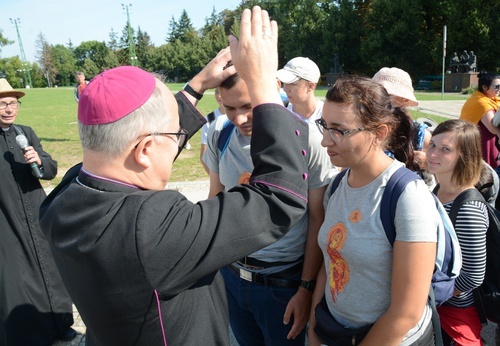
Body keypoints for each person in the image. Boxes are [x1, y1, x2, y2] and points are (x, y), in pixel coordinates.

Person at [39, 7, 310, 345]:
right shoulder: (151, 228)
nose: (180, 139)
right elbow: (279, 197)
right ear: (145, 150)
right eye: (175, 136)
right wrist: (264, 89)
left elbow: (128, 152)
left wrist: (196, 86)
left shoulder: (62, 198)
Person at [203, 69, 335, 345]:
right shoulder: (221, 134)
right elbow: (216, 196)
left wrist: (305, 289)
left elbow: (317, 218)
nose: (239, 118)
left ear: (272, 89)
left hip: (281, 287)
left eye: (248, 106)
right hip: (232, 277)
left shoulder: (307, 139)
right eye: (229, 107)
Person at [308, 76, 438, 345]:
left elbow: (406, 313)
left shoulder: (407, 196)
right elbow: (330, 261)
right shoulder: (336, 185)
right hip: (335, 332)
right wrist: (315, 326)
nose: (324, 141)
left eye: (338, 130)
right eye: (324, 125)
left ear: (379, 133)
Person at [0, 78, 76, 345]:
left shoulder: (26, 132)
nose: (9, 109)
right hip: (5, 217)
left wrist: (39, 161)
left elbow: (51, 169)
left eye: (13, 103)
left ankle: (60, 324)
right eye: (3, 103)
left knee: (51, 267)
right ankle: (27, 333)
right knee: (17, 275)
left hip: (35, 210)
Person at [426, 119, 489, 345]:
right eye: (432, 144)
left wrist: (434, 296)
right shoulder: (438, 189)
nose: (432, 153)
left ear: (464, 156)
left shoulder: (468, 208)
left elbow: (473, 275)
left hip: (453, 315)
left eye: (445, 149)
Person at [372, 67, 435, 187]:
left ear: (404, 100)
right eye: (375, 95)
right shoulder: (364, 129)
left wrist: (428, 162)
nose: (379, 100)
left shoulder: (420, 135)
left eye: (387, 95)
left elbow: (445, 174)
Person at [460, 71, 500, 169]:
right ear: (485, 87)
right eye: (496, 86)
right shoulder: (481, 102)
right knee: (486, 172)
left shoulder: (484, 98)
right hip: (483, 143)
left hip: (484, 140)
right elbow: (492, 128)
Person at [276, 57, 323, 123]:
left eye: (292, 83)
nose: (285, 89)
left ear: (311, 86)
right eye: (284, 83)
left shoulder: (328, 116)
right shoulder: (281, 112)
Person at [200, 88, 226, 174]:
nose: (219, 96)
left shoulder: (242, 116)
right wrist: (215, 179)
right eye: (216, 92)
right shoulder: (210, 119)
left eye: (222, 91)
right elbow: (204, 156)